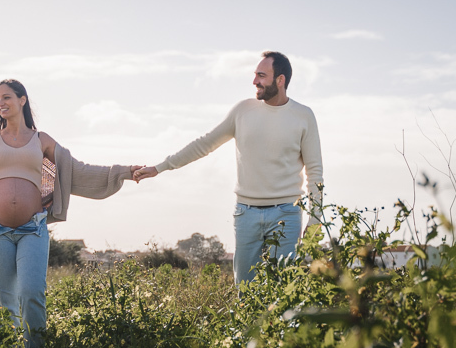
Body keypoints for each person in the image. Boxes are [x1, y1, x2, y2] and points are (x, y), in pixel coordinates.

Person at [0, 79, 140, 348]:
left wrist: (125, 171)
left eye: (6, 97)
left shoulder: (41, 140)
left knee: (32, 293)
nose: (0, 104)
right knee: (4, 298)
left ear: (23, 100)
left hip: (32, 228)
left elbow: (77, 169)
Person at [132, 51, 323, 284]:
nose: (255, 82)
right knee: (245, 290)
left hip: (287, 213)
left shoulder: (303, 116)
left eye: (262, 76)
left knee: (282, 289)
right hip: (246, 213)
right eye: (255, 75)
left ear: (280, 80)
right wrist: (160, 167)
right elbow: (204, 144)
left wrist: (315, 220)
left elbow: (315, 172)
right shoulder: (242, 111)